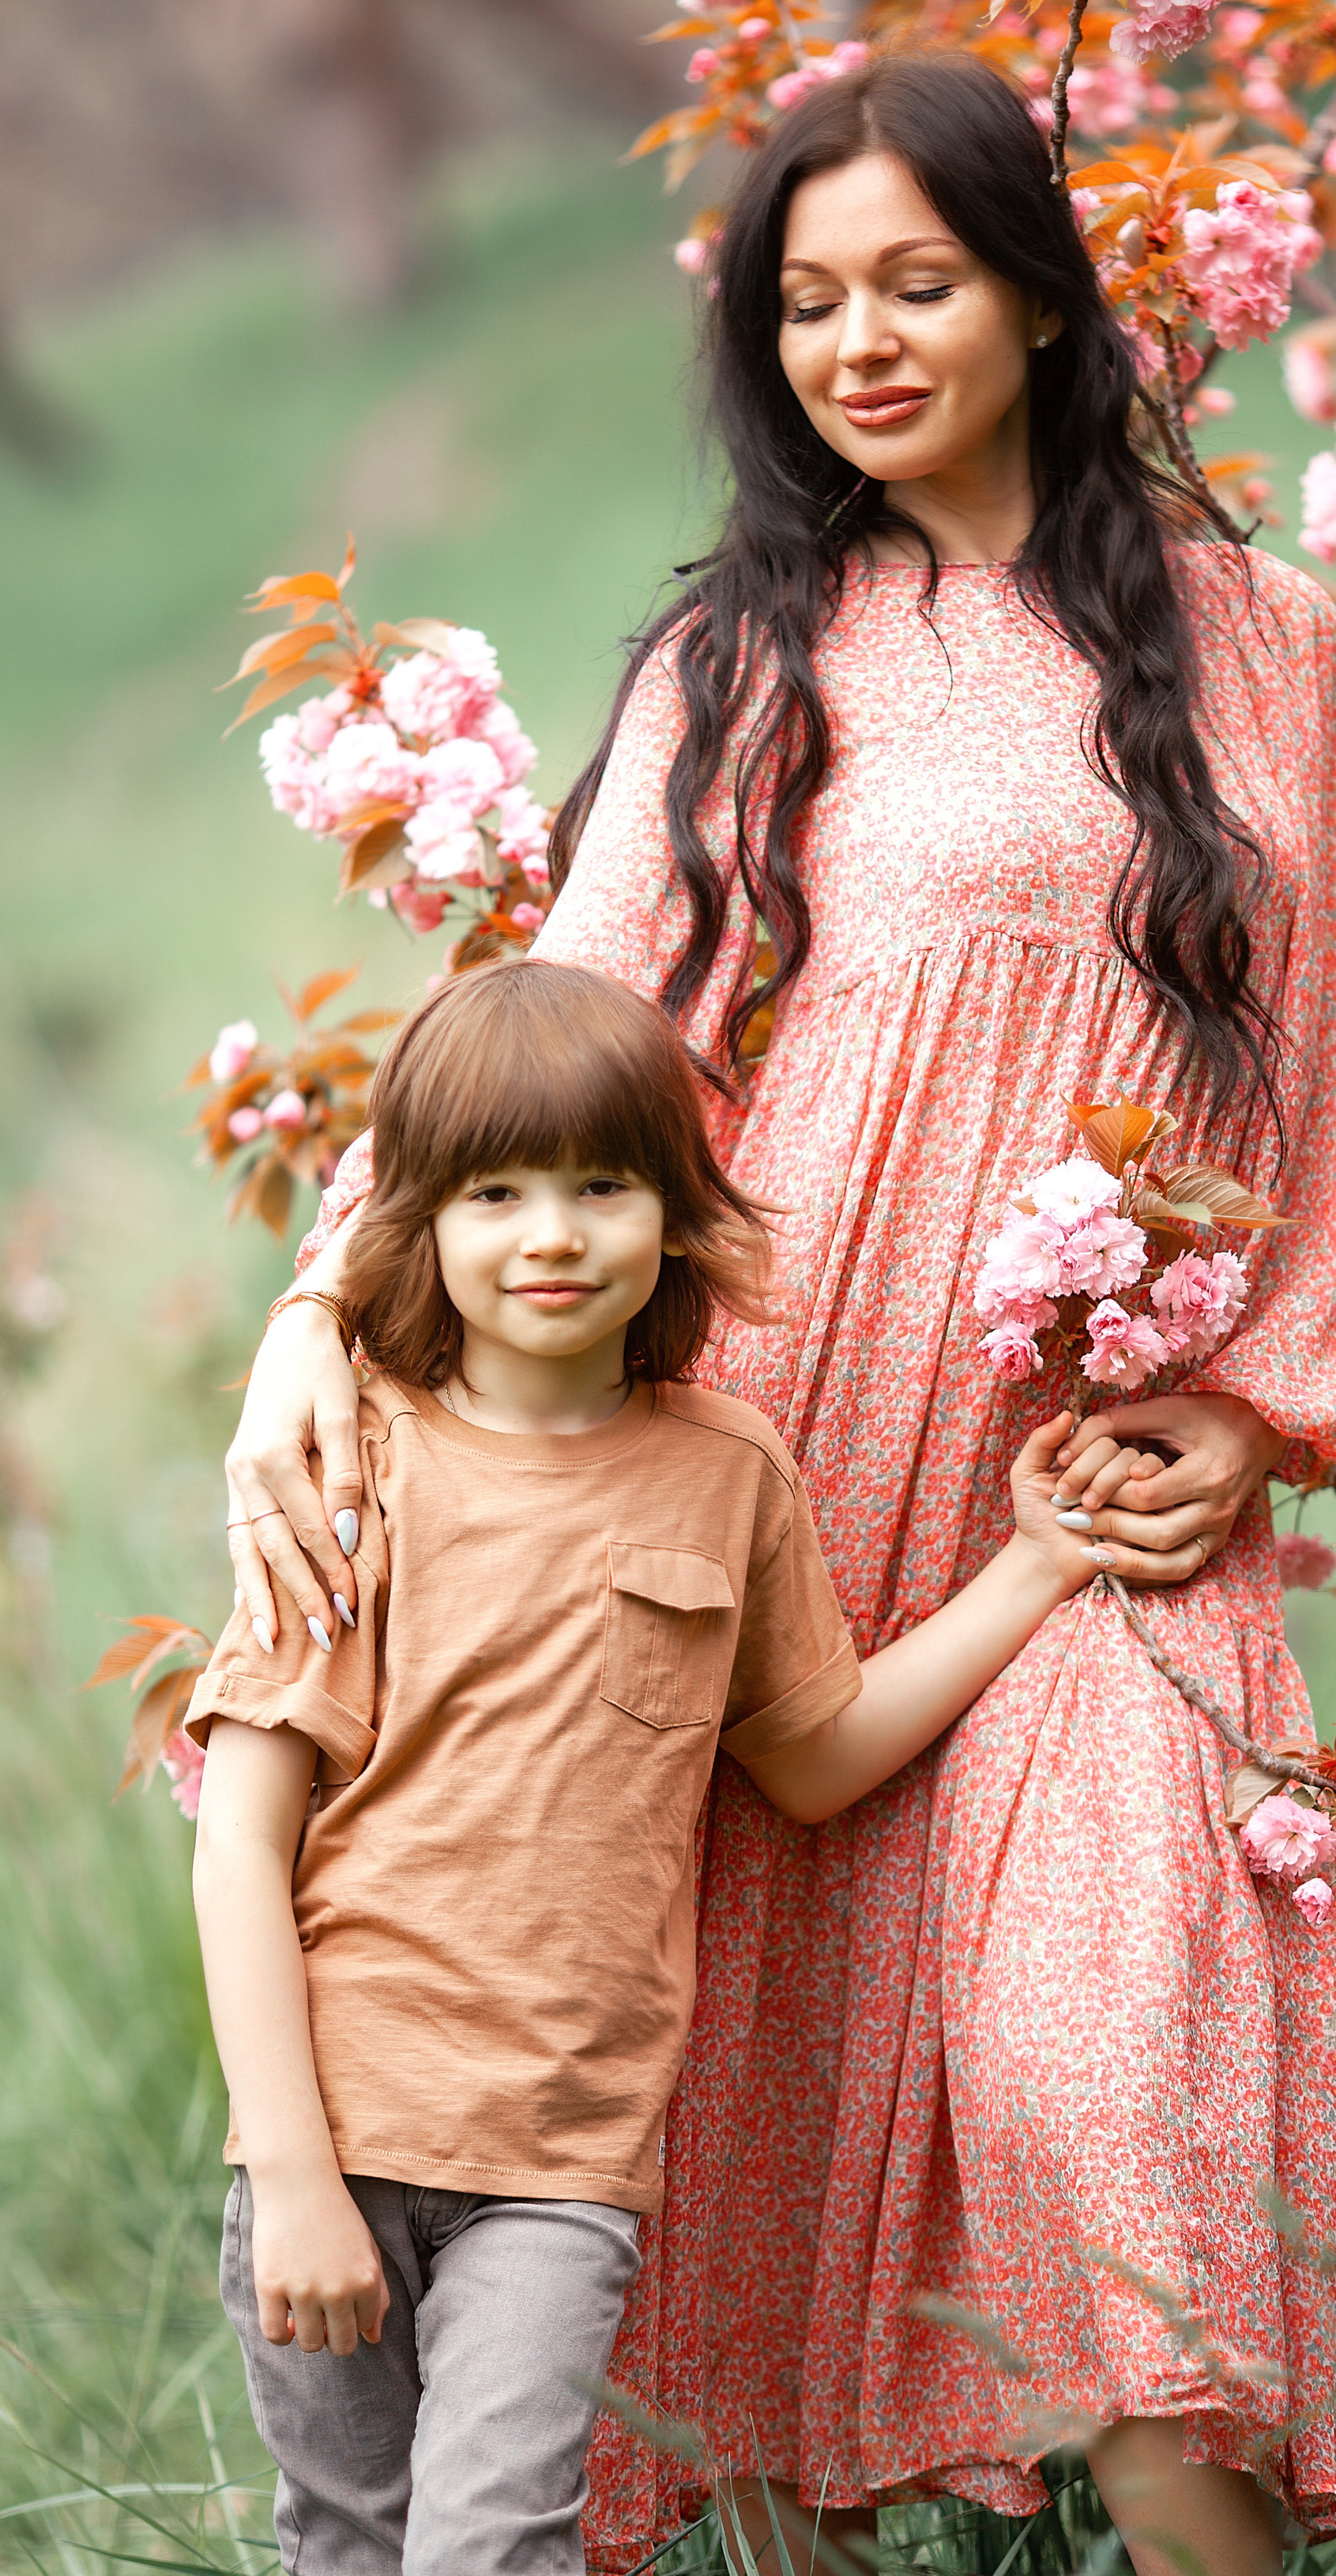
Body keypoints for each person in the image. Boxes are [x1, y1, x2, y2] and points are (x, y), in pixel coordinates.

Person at [217, 54, 1336, 2573]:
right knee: (739, 2152)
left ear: (1039, 292)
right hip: (766, 1469)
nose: (857, 342)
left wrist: (1259, 1412)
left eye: (916, 281)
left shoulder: (1262, 643)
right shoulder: (749, 662)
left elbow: (1325, 1077)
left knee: (1121, 2100)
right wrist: (313, 1333)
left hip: (1077, 1493)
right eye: (805, 302)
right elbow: (562, 1028)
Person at [185, 955, 1127, 2576]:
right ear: (414, 1226)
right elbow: (240, 1843)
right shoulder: (362, 1460)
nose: (549, 1233)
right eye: (494, 1192)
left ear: (676, 1215)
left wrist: (1031, 1568)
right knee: (345, 2543)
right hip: (332, 2133)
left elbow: (814, 1755)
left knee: (492, 2547)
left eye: (600, 1185)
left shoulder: (723, 1473)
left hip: (561, 2168)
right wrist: (287, 2176)